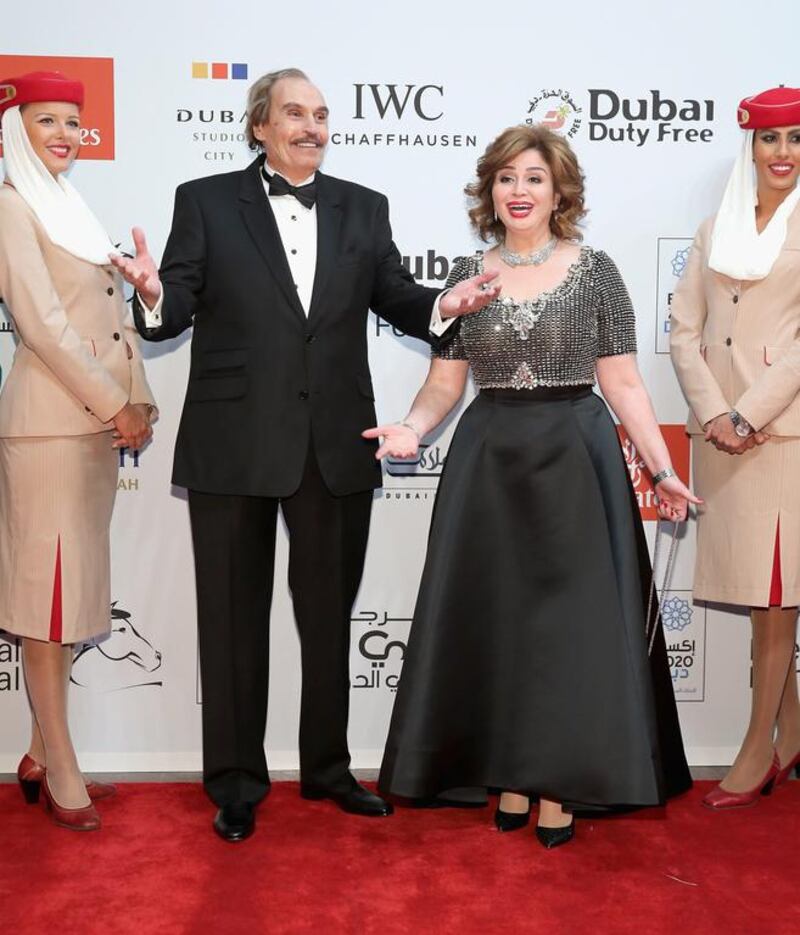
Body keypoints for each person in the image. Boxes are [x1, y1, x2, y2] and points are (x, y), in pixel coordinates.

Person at [110, 67, 498, 843]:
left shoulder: (363, 205)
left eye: (321, 115)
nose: (311, 126)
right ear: (260, 125)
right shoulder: (205, 200)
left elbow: (396, 293)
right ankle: (235, 782)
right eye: (294, 112)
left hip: (335, 442)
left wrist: (441, 305)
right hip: (234, 442)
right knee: (231, 622)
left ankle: (325, 768)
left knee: (328, 619)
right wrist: (152, 291)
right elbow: (173, 305)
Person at [370, 124, 695, 849]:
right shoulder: (467, 274)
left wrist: (663, 469)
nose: (519, 191)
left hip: (576, 457)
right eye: (507, 177)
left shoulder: (598, 270)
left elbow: (623, 382)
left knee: (570, 630)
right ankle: (510, 773)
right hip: (488, 459)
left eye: (534, 178)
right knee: (499, 624)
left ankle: (561, 781)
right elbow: (443, 385)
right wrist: (411, 430)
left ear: (560, 192)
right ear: (490, 189)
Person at [0, 71, 156, 831]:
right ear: (13, 128)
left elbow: (106, 317)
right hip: (53, 428)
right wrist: (114, 403)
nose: (65, 134)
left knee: (68, 598)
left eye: (72, 121)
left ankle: (37, 748)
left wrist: (139, 398)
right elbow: (42, 327)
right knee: (47, 599)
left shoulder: (68, 204)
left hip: (90, 428)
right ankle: (62, 768)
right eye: (46, 120)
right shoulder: (10, 204)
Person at [670, 86, 800, 809]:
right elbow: (684, 330)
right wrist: (718, 412)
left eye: (796, 139)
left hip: (781, 436)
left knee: (776, 595)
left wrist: (748, 414)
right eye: (770, 139)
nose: (783, 154)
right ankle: (793, 728)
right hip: (720, 436)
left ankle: (758, 752)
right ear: (749, 145)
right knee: (762, 596)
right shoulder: (714, 227)